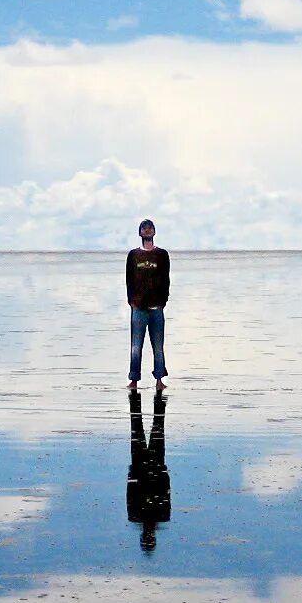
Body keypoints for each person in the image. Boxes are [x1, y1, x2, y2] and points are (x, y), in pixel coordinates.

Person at [125, 218, 169, 391]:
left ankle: (160, 380)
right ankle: (133, 380)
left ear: (154, 231)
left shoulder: (162, 255)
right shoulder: (133, 255)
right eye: (144, 228)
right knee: (136, 347)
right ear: (140, 232)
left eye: (150, 228)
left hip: (156, 308)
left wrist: (163, 301)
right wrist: (132, 302)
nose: (147, 230)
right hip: (139, 309)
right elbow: (129, 280)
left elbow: (166, 279)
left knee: (158, 347)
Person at [126, 390, 171, 553]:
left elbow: (130, 495)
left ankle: (138, 396)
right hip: (155, 468)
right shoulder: (162, 517)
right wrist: (164, 472)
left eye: (147, 538)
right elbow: (167, 493)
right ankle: (156, 396)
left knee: (138, 426)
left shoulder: (135, 517)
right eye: (150, 538)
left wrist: (131, 475)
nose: (149, 535)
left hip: (140, 468)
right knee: (157, 426)